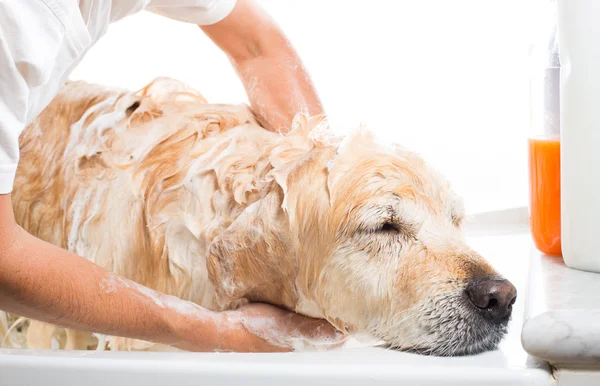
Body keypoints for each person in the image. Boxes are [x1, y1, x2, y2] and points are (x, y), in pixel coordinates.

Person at [0, 0, 343, 352]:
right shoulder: (15, 33)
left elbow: (255, 43)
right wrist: (219, 334)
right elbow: (2, 260)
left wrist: (322, 174)